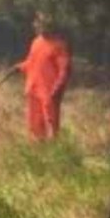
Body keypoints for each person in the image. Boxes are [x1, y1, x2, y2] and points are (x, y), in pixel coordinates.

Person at [16, 11, 72, 141]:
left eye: (39, 23)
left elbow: (64, 71)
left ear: (48, 25)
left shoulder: (59, 46)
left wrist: (56, 90)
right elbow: (31, 62)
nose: (35, 25)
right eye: (36, 22)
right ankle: (36, 151)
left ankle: (51, 151)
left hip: (48, 94)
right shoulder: (36, 42)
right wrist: (19, 67)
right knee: (34, 127)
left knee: (50, 128)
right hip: (33, 90)